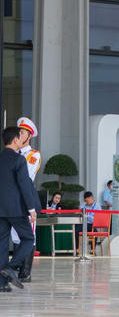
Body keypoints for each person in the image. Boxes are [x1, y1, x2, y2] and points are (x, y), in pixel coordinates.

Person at [0, 125, 39, 291]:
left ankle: (2, 284)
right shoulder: (19, 159)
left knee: (2, 245)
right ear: (15, 140)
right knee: (28, 239)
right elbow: (24, 185)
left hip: (1, 209)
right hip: (16, 209)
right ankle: (11, 267)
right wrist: (31, 209)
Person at [11, 117, 41, 282]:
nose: (19, 135)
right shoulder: (13, 154)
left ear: (29, 136)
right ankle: (16, 269)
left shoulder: (33, 155)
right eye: (19, 132)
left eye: (22, 132)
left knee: (29, 235)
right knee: (15, 235)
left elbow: (24, 176)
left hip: (26, 201)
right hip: (13, 201)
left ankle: (26, 272)